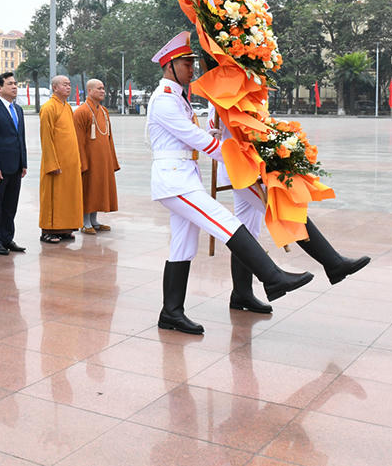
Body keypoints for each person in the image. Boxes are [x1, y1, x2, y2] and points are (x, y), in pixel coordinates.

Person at [146, 32, 312, 335]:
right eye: (186, 63)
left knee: (183, 245)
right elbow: (200, 140)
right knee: (225, 223)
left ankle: (171, 312)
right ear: (169, 65)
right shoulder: (164, 101)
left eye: (192, 62)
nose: (192, 69)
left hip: (182, 177)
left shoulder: (177, 99)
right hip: (175, 181)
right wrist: (249, 159)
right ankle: (272, 276)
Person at [206, 105, 371, 314]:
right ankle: (333, 263)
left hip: (247, 167)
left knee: (246, 230)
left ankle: (241, 293)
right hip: (241, 169)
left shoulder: (245, 87)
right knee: (286, 210)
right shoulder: (229, 89)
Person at [0, 72, 28, 255]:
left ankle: (7, 238)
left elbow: (21, 138)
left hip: (15, 166)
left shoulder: (18, 110)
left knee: (10, 205)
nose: (15, 87)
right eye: (10, 84)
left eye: (16, 83)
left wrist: (23, 162)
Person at [38, 75, 83, 243]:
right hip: (55, 163)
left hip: (69, 163)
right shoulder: (49, 108)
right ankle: (48, 231)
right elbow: (46, 138)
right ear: (55, 88)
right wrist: (51, 163)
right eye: (65, 85)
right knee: (53, 198)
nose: (68, 87)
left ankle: (64, 229)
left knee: (67, 197)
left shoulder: (67, 108)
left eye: (69, 85)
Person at [73, 78, 120, 234]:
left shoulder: (104, 111)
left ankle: (94, 220)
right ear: (90, 91)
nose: (102, 91)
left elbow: (109, 138)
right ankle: (85, 223)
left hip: (103, 159)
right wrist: (83, 162)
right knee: (89, 189)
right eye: (99, 88)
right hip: (90, 160)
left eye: (103, 89)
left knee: (98, 189)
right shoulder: (81, 112)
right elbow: (78, 140)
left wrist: (112, 160)